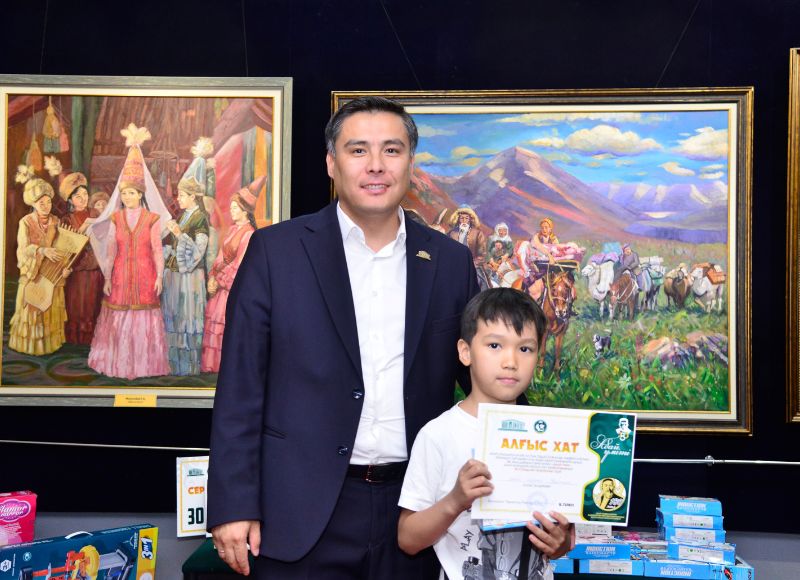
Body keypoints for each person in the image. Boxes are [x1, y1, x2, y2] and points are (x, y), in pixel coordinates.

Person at [207, 96, 480, 579]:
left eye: (391, 150)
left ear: (410, 163)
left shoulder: (450, 262)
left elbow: (492, 381)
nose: (376, 165)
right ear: (332, 164)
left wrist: (539, 485)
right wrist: (232, 504)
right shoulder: (275, 253)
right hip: (300, 513)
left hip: (417, 512)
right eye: (358, 150)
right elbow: (239, 389)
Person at [398, 288, 574, 579]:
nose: (510, 361)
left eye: (525, 349)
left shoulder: (551, 437)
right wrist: (455, 500)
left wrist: (560, 543)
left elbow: (564, 540)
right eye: (494, 345)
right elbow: (407, 538)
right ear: (465, 352)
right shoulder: (439, 435)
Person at [87, 124, 171, 380]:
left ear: (140, 194)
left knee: (143, 315)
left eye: (131, 193)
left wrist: (159, 276)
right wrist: (108, 277)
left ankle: (144, 365)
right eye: (123, 194)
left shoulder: (152, 219)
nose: (126, 197)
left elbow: (157, 250)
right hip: (121, 276)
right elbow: (111, 251)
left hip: (146, 275)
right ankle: (119, 364)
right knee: (119, 315)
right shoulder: (116, 218)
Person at [200, 177, 261, 373]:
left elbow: (239, 265)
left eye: (235, 208)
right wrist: (212, 276)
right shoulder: (233, 230)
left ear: (245, 211)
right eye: (232, 207)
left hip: (232, 290)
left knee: (227, 326)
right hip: (220, 288)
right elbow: (220, 256)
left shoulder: (249, 234)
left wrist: (219, 281)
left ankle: (226, 369)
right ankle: (212, 366)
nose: (232, 211)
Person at [161, 142, 212, 376]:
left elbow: (199, 251)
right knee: (175, 316)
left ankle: (189, 367)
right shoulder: (184, 216)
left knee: (188, 316)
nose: (178, 198)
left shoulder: (200, 218)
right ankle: (175, 365)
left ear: (192, 196)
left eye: (182, 195)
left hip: (190, 277)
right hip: (176, 274)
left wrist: (179, 234)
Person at [8, 169, 71, 355]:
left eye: (48, 201)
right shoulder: (26, 222)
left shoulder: (56, 221)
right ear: (33, 203)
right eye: (41, 203)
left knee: (50, 307)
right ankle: (30, 347)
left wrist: (65, 267)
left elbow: (63, 247)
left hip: (52, 273)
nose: (45, 206)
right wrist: (42, 250)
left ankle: (49, 345)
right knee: (32, 309)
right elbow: (23, 248)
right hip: (34, 271)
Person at [59, 172, 103, 345]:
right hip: (76, 269)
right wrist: (83, 228)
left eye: (85, 194)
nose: (83, 198)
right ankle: (76, 338)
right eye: (78, 196)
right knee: (77, 303)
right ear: (70, 200)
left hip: (95, 266)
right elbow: (67, 247)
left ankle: (93, 338)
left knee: (93, 302)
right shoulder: (66, 219)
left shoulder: (95, 213)